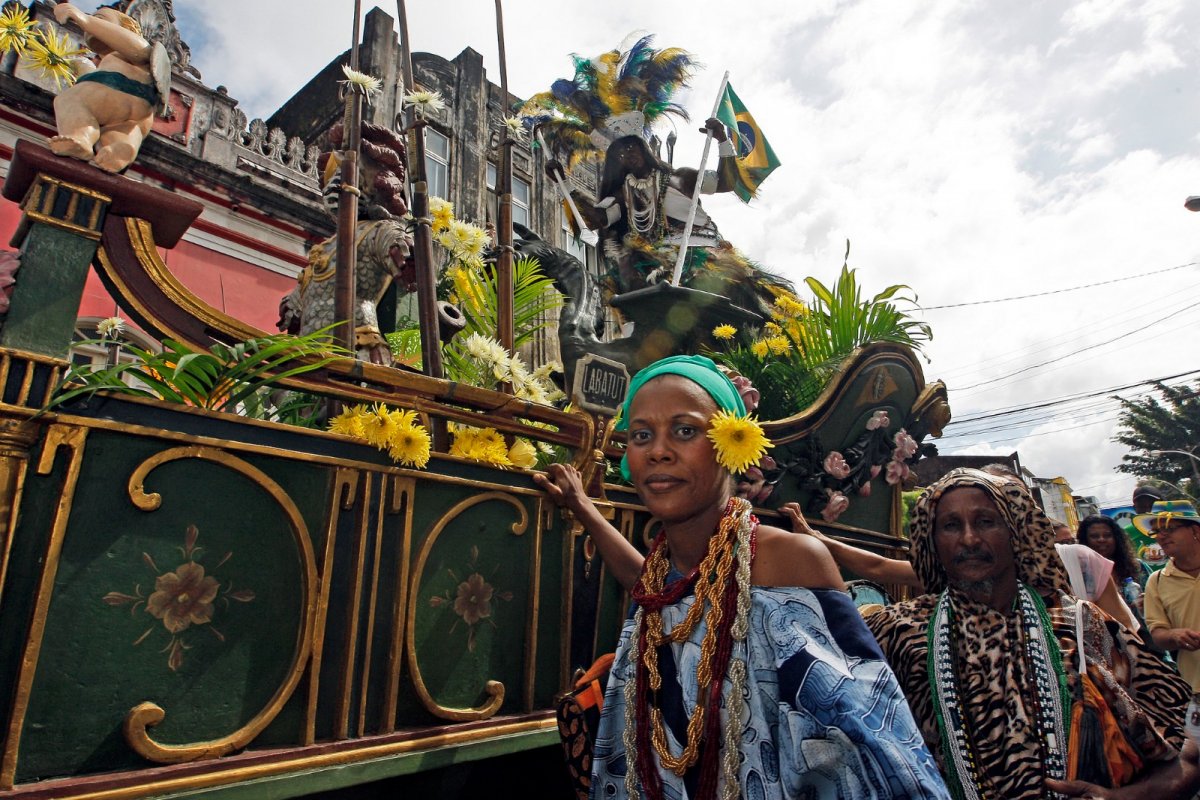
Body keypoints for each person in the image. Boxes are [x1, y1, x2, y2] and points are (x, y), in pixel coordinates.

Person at [535, 355, 949, 799]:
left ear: (730, 445)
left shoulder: (788, 560)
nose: (658, 450)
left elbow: (871, 747)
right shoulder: (665, 570)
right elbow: (661, 592)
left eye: (685, 430)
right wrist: (583, 508)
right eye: (641, 435)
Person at [865, 468, 1198, 799]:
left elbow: (1189, 750)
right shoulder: (899, 632)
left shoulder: (1081, 625)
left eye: (985, 522)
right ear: (932, 540)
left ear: (1016, 532)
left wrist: (1119, 797)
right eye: (951, 525)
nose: (969, 539)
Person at [49, 3, 163, 172]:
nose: (94, 25)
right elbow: (91, 79)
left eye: (100, 19)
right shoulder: (109, 62)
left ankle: (82, 136)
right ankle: (119, 150)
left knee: (70, 100)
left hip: (114, 89)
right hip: (140, 112)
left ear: (127, 27)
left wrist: (85, 19)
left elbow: (140, 51)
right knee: (123, 133)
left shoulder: (128, 48)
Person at [1140, 501, 1200, 691]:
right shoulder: (1156, 581)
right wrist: (1174, 635)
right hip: (1195, 687)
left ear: (1195, 531)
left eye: (1169, 529)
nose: (1161, 536)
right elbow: (1158, 634)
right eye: (1157, 531)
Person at [1078, 514, 1151, 610]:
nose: (1101, 539)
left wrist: (1148, 600)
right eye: (1094, 536)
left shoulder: (1138, 567)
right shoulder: (1079, 574)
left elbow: (1158, 596)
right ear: (1085, 541)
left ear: (1117, 539)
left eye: (1107, 535)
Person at [1128, 486, 1171, 572]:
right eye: (1142, 506)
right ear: (1134, 508)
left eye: (1152, 505)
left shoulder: (1177, 528)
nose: (1148, 510)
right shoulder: (1126, 533)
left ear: (1163, 504)